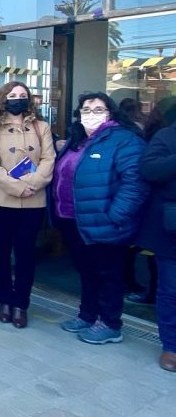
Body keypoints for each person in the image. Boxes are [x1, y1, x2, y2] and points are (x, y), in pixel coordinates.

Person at [52, 92, 147, 344]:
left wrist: (116, 215)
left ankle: (110, 324)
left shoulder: (124, 140)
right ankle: (87, 315)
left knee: (109, 274)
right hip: (72, 220)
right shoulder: (78, 139)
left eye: (98, 109)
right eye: (86, 109)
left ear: (111, 113)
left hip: (106, 223)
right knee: (87, 271)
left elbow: (135, 183)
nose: (91, 114)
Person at [0, 82, 55, 329]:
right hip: (0, 199)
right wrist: (18, 187)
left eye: (23, 95)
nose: (18, 99)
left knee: (25, 254)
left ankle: (21, 304)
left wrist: (32, 183)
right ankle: (5, 300)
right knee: (0, 252)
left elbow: (48, 159)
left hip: (33, 200)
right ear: (3, 99)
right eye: (12, 95)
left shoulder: (41, 126)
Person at [138, 116, 176, 371]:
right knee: (171, 290)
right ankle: (171, 346)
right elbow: (149, 169)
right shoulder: (167, 136)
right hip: (172, 231)